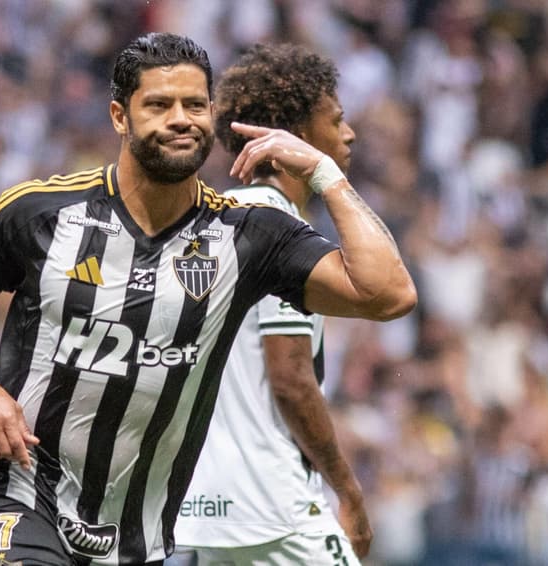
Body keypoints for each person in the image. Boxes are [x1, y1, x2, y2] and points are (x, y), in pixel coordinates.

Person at [0, 32, 416, 566]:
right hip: (20, 492)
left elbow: (387, 294)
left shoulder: (248, 235)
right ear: (120, 117)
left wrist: (323, 173)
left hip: (138, 532)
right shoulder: (43, 212)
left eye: (195, 105)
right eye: (159, 105)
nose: (181, 119)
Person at [170, 43, 372, 566]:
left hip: (206, 501)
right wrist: (347, 489)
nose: (349, 134)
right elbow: (290, 378)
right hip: (271, 501)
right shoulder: (278, 229)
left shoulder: (216, 220)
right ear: (298, 133)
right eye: (337, 120)